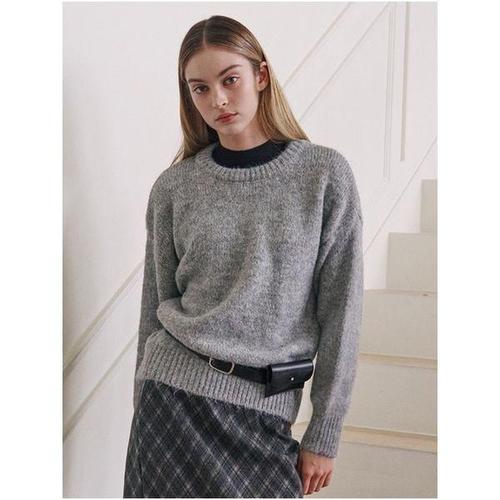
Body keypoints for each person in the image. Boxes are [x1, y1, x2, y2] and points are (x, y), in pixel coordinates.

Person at [123, 14, 364, 498]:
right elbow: (155, 305)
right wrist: (140, 399)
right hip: (169, 407)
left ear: (261, 75)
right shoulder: (174, 188)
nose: (217, 100)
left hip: (264, 415)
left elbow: (342, 312)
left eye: (229, 79)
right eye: (200, 88)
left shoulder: (324, 177)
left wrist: (324, 432)